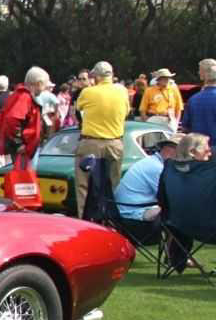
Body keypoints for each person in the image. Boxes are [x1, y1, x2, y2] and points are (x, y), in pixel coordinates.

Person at [73, 61, 128, 217]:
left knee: (84, 185)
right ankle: (112, 220)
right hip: (115, 142)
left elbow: (78, 108)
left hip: (91, 142)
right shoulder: (122, 92)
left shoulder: (88, 92)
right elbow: (126, 112)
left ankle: (84, 220)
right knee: (114, 185)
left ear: (96, 77)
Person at [114, 133, 180, 221]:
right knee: (177, 211)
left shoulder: (153, 161)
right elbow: (169, 198)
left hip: (128, 208)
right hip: (131, 213)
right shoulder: (157, 167)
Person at [181, 58, 216, 142]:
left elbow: (185, 128)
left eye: (199, 70)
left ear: (203, 75)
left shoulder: (193, 100)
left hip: (199, 146)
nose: (198, 72)